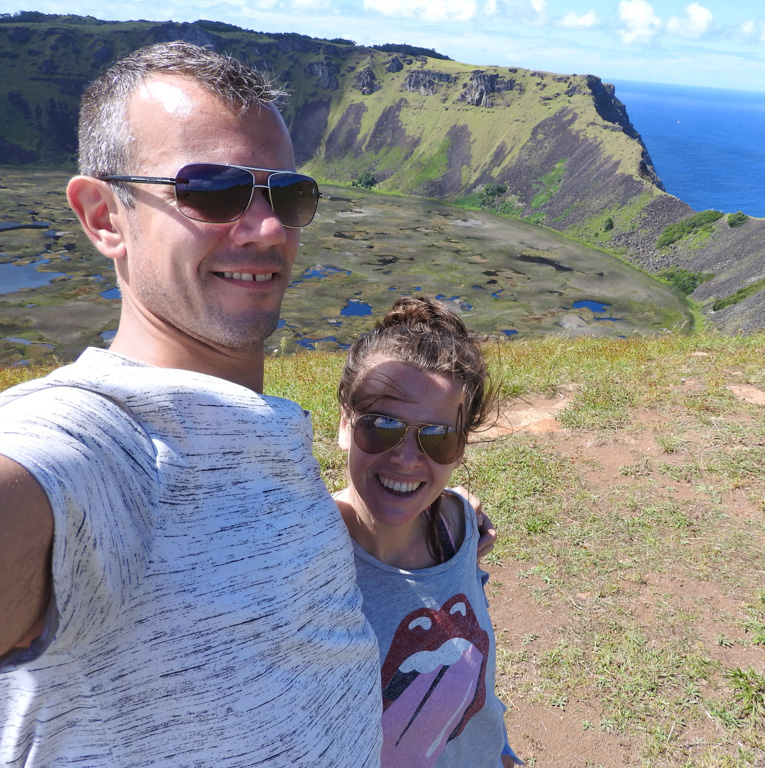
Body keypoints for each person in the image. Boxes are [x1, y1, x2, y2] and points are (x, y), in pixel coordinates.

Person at [0, 42, 385, 766]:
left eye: (288, 195)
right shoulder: (99, 445)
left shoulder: (252, 428)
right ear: (104, 216)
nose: (267, 229)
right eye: (212, 190)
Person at [334, 297, 521, 768]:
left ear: (460, 448)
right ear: (344, 423)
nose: (408, 460)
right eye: (383, 427)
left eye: (438, 437)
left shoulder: (458, 527)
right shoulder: (304, 554)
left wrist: (499, 752)